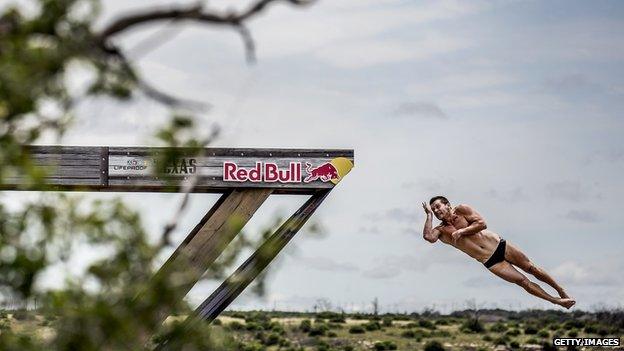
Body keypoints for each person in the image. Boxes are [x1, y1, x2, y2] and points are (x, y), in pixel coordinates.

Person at [422, 195, 575, 309]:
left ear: (447, 205)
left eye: (437, 206)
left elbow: (482, 224)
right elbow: (429, 237)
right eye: (433, 209)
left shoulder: (462, 209)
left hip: (498, 245)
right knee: (523, 282)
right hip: (490, 260)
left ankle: (559, 289)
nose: (436, 210)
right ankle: (555, 300)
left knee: (531, 268)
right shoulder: (441, 230)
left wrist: (462, 231)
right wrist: (428, 215)